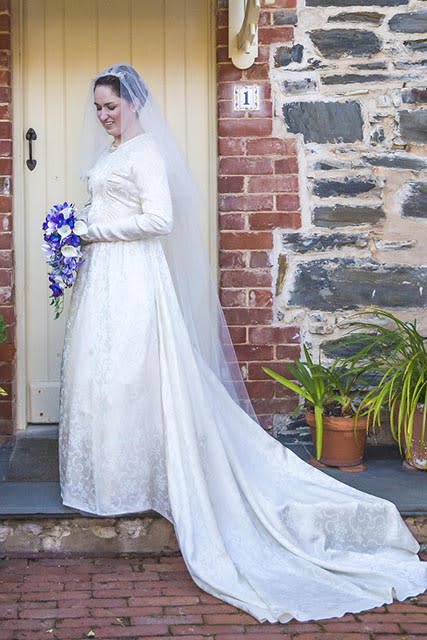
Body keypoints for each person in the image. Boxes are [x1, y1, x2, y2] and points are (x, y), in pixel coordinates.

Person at [59, 63, 427, 624]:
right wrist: (74, 228)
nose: (104, 117)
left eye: (111, 106)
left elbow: (159, 218)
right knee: (105, 375)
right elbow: (113, 207)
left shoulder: (147, 152)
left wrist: (91, 230)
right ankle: (111, 480)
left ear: (133, 102)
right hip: (107, 278)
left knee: (134, 371)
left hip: (134, 277)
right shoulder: (113, 156)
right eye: (98, 109)